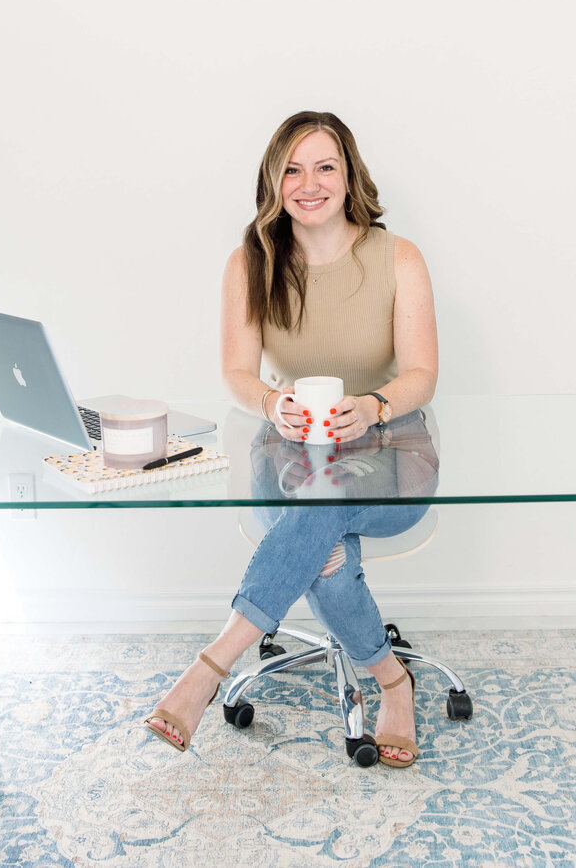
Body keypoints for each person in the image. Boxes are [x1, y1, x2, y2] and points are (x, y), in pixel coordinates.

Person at [145, 111, 439, 767]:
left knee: (317, 519)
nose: (309, 183)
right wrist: (273, 402)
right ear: (274, 182)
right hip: (291, 454)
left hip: (392, 449)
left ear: (350, 174)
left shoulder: (398, 257)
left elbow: (423, 373)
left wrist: (373, 406)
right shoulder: (250, 262)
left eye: (325, 166)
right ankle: (394, 683)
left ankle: (210, 667)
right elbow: (236, 374)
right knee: (324, 547)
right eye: (292, 169)